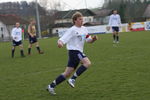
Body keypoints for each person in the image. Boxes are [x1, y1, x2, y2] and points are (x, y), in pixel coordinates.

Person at [47, 12, 98, 95]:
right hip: (73, 51)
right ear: (75, 20)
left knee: (67, 73)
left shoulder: (84, 29)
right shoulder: (72, 30)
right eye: (80, 19)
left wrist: (93, 39)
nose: (82, 21)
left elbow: (88, 40)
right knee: (87, 63)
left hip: (78, 52)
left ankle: (51, 86)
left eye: (82, 19)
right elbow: (62, 39)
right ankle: (73, 79)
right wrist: (60, 43)